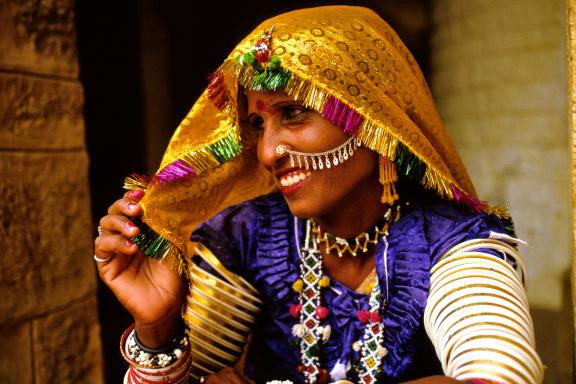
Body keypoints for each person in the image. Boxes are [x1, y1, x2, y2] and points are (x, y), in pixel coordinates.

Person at [94, 5, 544, 384]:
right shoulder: (250, 236)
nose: (269, 152)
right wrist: (158, 330)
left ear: (372, 118)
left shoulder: (450, 241)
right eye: (257, 125)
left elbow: (503, 376)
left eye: (293, 114)